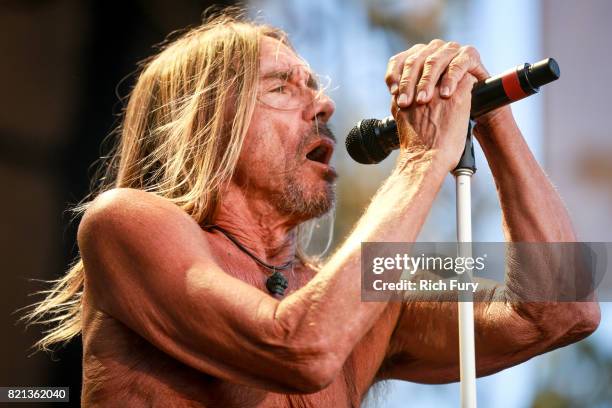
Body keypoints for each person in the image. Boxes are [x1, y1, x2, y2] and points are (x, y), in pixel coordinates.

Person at [24, 11, 599, 407]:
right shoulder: (126, 222)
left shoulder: (361, 288)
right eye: (282, 87)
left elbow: (564, 309)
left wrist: (489, 117)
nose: (323, 103)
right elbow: (300, 347)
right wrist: (424, 159)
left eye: (314, 86)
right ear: (206, 124)